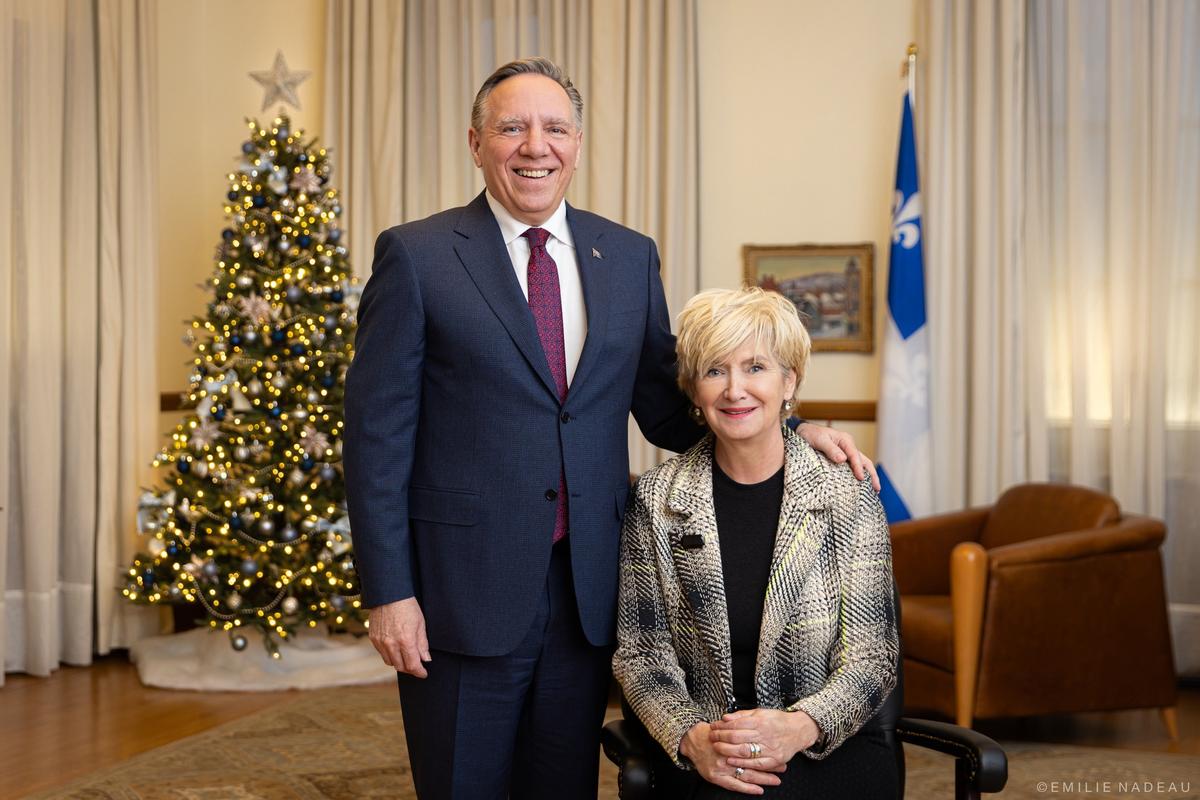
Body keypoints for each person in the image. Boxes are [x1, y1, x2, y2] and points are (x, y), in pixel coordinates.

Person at [343, 58, 876, 800]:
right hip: (461, 590)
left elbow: (668, 406)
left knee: (563, 786)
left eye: (555, 128)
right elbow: (375, 437)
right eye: (512, 128)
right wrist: (390, 593)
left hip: (590, 593)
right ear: (476, 142)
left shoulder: (626, 255)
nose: (536, 146)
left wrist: (793, 431)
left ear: (578, 144)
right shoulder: (418, 256)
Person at [613, 287, 899, 799]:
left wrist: (800, 727)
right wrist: (693, 738)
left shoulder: (847, 494)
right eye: (714, 371)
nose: (734, 390)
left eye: (755, 368)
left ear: (789, 381)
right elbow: (641, 655)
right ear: (693, 390)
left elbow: (872, 657)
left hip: (827, 745)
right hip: (707, 749)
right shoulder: (656, 499)